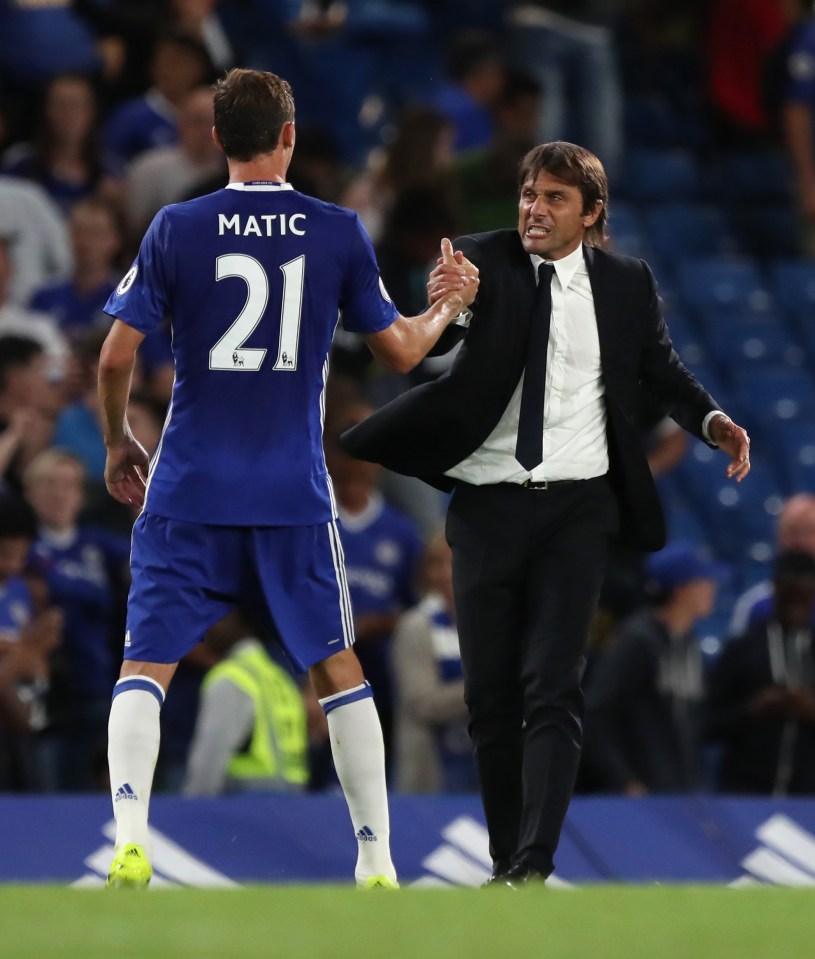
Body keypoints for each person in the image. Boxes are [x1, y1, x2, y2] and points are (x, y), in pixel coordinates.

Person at [98, 67, 478, 889]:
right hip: (290, 490)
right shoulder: (335, 229)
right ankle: (374, 857)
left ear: (215, 139)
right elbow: (404, 352)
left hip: (188, 484)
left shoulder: (176, 225)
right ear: (289, 137)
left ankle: (131, 833)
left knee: (145, 664)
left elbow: (115, 355)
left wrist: (117, 441)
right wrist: (448, 303)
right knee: (336, 665)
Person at [341, 139, 751, 887]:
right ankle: (505, 863)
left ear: (591, 214)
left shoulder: (627, 282)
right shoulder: (480, 259)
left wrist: (711, 420)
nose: (534, 207)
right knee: (489, 696)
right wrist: (449, 302)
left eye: (554, 197)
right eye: (530, 193)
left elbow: (659, 368)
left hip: (577, 507)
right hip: (486, 505)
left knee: (553, 684)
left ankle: (534, 863)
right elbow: (448, 325)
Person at [581, 542, 725, 795]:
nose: (712, 587)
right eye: (704, 581)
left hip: (679, 794)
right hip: (643, 799)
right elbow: (595, 714)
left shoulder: (688, 642)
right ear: (681, 590)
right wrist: (625, 781)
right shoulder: (637, 641)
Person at [706, 550, 815, 795]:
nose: (797, 606)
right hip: (745, 794)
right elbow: (705, 726)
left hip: (807, 800)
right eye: (790, 596)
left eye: (804, 597)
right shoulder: (742, 649)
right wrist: (754, 708)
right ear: (775, 589)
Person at [182, 607, 309, 796]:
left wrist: (191, 813)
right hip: (294, 804)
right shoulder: (280, 678)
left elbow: (208, 763)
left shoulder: (231, 679)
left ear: (245, 623)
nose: (209, 625)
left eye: (220, 618)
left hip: (243, 803)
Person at [392, 530, 476, 794]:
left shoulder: (495, 626)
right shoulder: (416, 626)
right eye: (436, 564)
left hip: (482, 769)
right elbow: (423, 702)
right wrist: (488, 689)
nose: (445, 573)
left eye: (455, 561)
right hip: (431, 774)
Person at [729, 493, 815, 635]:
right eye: (793, 531)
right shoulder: (756, 605)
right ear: (779, 537)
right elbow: (739, 653)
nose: (800, 541)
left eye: (809, 531)